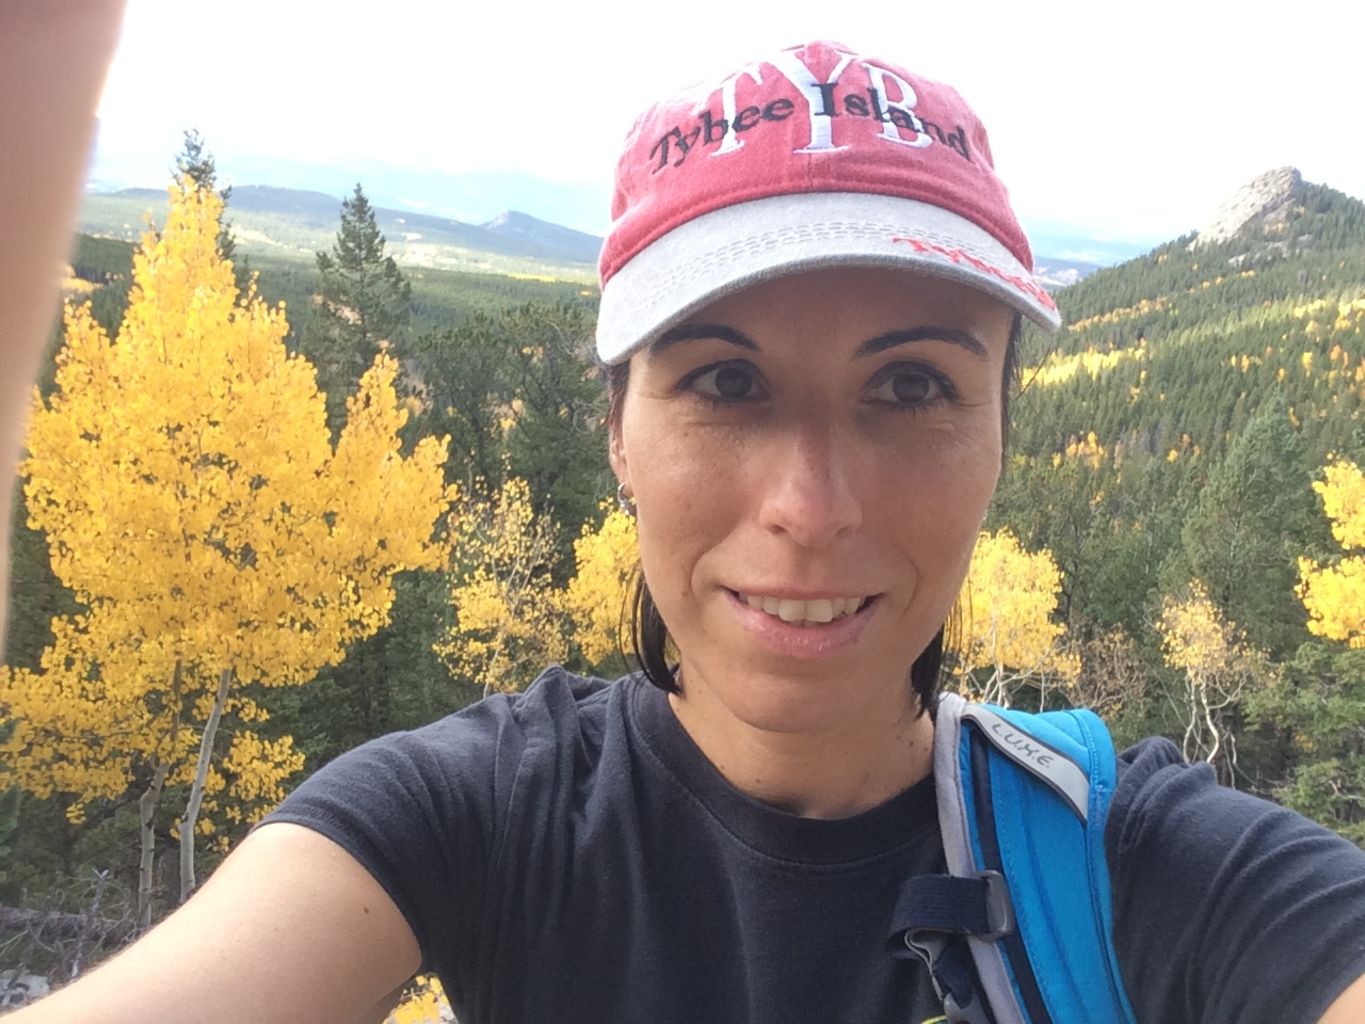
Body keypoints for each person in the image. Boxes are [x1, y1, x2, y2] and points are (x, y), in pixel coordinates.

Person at [5, 36, 1365, 1024]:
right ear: (616, 432)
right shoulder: (472, 817)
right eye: (723, 382)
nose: (809, 506)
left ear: (1000, 430)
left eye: (909, 387)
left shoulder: (1148, 867)